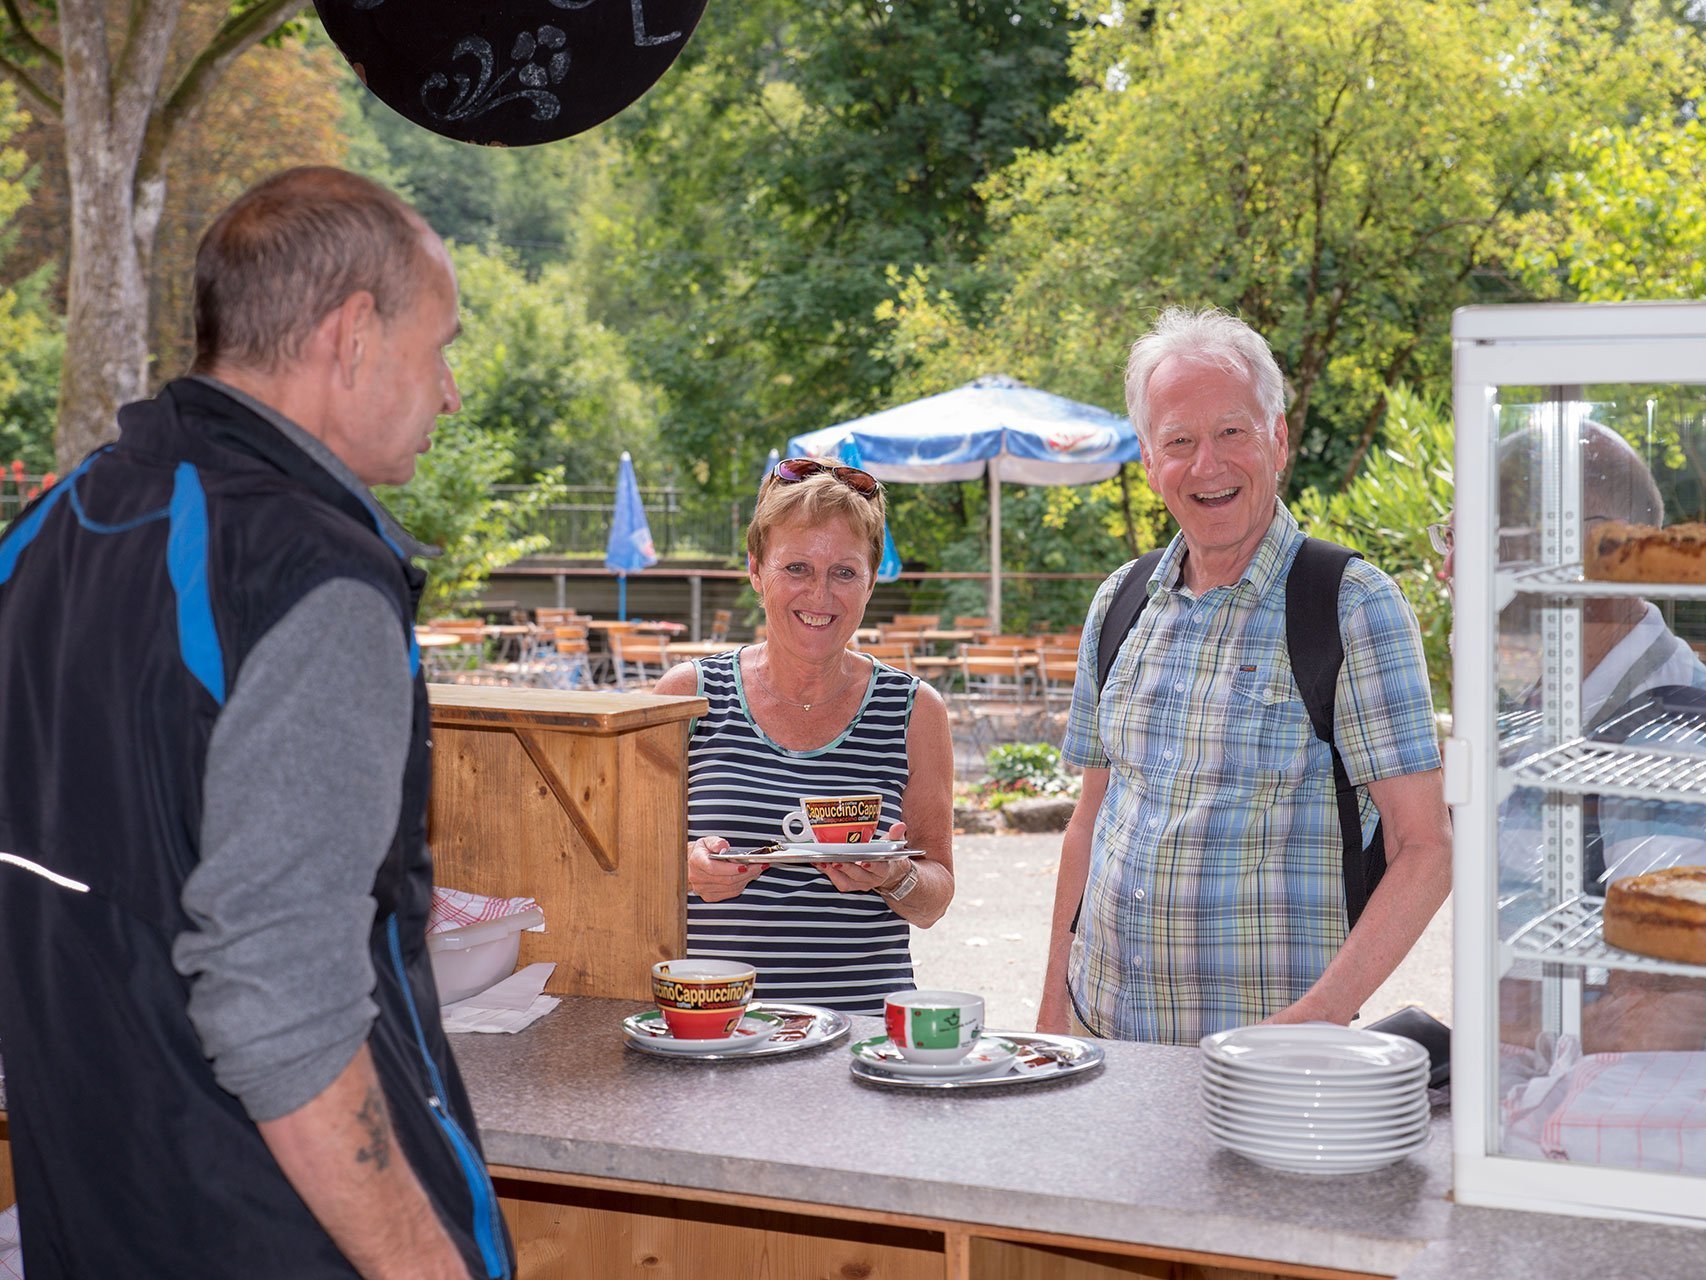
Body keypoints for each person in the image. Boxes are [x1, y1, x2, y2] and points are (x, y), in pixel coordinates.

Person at [0, 168, 513, 1278]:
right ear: (352, 336)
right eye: (440, 346)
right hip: (271, 1230)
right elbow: (281, 1005)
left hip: (91, 1213)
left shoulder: (46, 532)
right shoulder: (308, 580)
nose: (451, 391)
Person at [1037, 306, 1452, 1044]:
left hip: (1266, 1069)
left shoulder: (1352, 606)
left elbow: (1424, 852)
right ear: (1147, 459)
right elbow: (1089, 823)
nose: (1208, 465)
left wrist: (1303, 1029)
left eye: (1233, 432)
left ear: (1279, 438)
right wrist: (1051, 1019)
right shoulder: (1120, 602)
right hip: (1100, 1041)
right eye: (1179, 441)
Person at [652, 457, 954, 1013]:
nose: (819, 594)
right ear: (755, 570)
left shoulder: (914, 711)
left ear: (871, 581)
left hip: (859, 1036)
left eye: (844, 572)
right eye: (796, 568)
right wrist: (686, 873)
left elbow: (934, 899)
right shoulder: (686, 695)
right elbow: (623, 865)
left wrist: (895, 876)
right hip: (714, 1027)